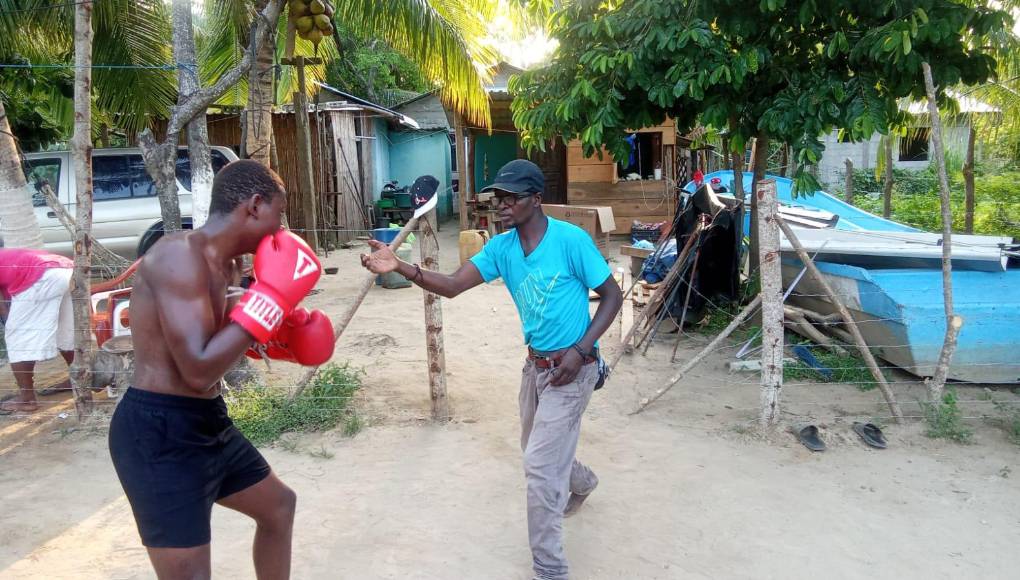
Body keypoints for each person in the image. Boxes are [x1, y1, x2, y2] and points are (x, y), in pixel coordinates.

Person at [361, 159, 623, 580]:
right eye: (497, 197)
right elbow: (450, 286)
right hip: (536, 368)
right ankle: (583, 481)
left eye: (510, 197)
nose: (500, 205)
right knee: (535, 448)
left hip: (575, 369)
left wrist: (580, 349)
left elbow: (611, 296)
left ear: (536, 199)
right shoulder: (501, 249)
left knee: (539, 465)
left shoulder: (571, 241)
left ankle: (550, 569)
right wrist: (401, 266)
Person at [108, 160, 334, 580]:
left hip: (207, 421)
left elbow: (228, 339)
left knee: (278, 507)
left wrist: (281, 330)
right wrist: (267, 304)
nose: (280, 230)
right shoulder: (178, 256)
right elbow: (196, 369)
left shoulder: (230, 268)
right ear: (254, 206)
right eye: (278, 215)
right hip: (158, 433)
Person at [0, 238, 75, 414]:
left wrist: (9, 323)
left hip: (40, 276)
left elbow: (3, 307)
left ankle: (27, 400)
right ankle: (79, 379)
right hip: (65, 270)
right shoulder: (7, 255)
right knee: (65, 330)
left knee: (17, 336)